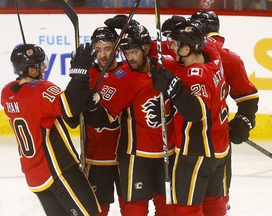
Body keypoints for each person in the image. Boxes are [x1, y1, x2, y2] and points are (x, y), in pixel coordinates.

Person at [86, 21, 177, 215]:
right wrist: (87, 103)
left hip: (167, 152)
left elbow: (188, 57)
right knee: (134, 210)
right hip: (135, 154)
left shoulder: (165, 64)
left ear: (145, 48)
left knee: (168, 208)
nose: (129, 57)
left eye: (133, 52)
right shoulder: (125, 76)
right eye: (126, 53)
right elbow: (103, 117)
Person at [0, 43, 101, 215]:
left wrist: (82, 101)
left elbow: (60, 113)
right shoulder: (41, 89)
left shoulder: (7, 92)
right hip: (58, 170)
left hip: (34, 175)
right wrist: (80, 74)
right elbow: (69, 106)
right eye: (41, 63)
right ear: (31, 70)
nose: (45, 66)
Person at [152, 20, 229, 215]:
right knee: (213, 204)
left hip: (196, 150)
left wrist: (173, 88)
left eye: (177, 45)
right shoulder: (212, 54)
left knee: (188, 209)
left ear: (187, 49)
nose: (172, 48)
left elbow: (196, 112)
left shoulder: (195, 74)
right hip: (219, 150)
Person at [190, 10, 259, 215]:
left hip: (185, 139)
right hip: (217, 140)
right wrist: (243, 121)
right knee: (217, 200)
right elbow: (248, 99)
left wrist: (242, 122)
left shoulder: (180, 54)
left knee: (186, 201)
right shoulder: (230, 58)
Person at [84, 26, 124, 216]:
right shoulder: (86, 77)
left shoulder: (129, 73)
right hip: (96, 155)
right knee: (98, 209)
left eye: (107, 48)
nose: (102, 54)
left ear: (116, 47)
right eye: (98, 49)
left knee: (132, 207)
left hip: (127, 154)